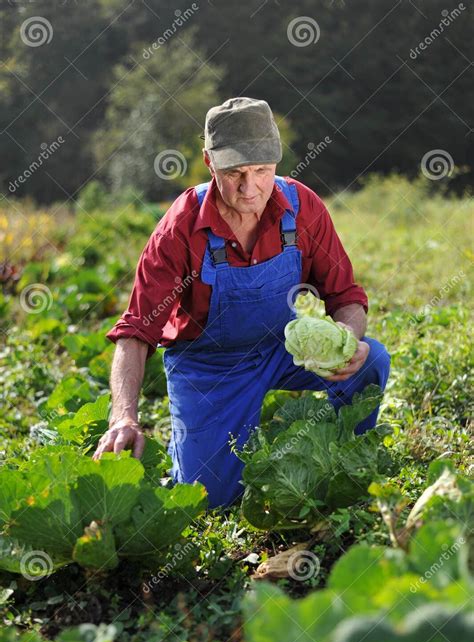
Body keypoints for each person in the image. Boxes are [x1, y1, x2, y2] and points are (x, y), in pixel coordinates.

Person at [93, 97, 390, 509]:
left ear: (276, 162)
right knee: (209, 500)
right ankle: (208, 446)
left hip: (281, 350)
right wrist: (123, 415)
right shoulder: (181, 226)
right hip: (211, 367)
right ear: (208, 162)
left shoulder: (302, 208)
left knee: (372, 359)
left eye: (261, 172)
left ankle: (349, 460)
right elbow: (137, 330)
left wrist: (346, 338)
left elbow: (346, 297)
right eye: (234, 173)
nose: (250, 189)